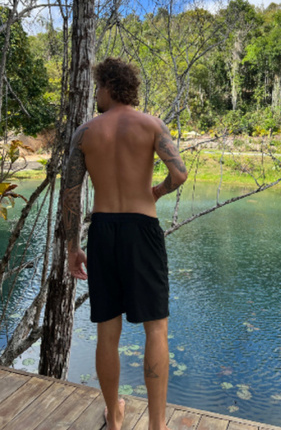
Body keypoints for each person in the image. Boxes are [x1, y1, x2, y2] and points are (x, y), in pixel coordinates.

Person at [62, 57, 187, 430]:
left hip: (103, 230)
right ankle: (157, 425)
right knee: (156, 328)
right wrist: (156, 192)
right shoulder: (152, 125)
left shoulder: (85, 133)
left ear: (108, 87)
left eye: (98, 87)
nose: (96, 95)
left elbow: (70, 195)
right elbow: (180, 174)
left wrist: (73, 247)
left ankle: (114, 418)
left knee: (107, 331)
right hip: (142, 228)